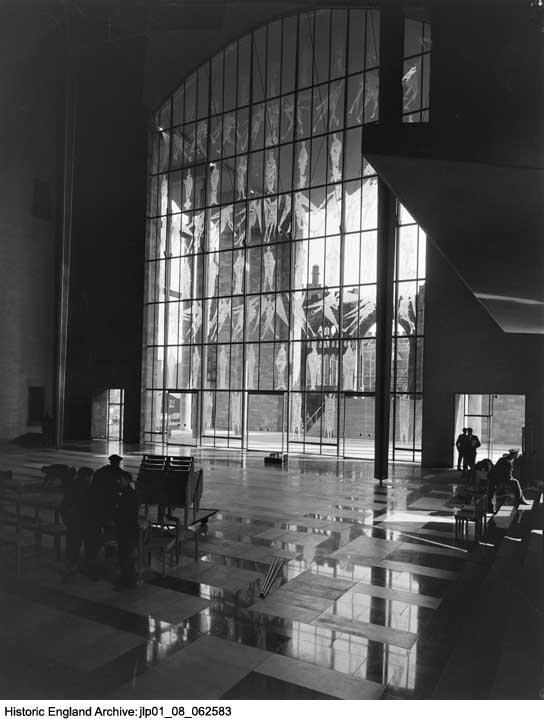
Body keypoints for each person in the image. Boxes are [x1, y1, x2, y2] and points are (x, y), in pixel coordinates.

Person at [60, 466, 101, 579]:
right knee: (90, 548)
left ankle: (72, 569)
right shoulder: (90, 488)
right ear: (87, 477)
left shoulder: (72, 487)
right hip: (86, 523)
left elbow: (63, 507)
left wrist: (67, 521)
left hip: (76, 523)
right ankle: (88, 569)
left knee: (73, 548)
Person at [92, 454, 132, 534]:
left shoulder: (101, 471)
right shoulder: (120, 473)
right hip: (113, 500)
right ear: (118, 463)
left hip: (100, 499)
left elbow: (95, 482)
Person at [113, 472, 140, 589]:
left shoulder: (127, 494)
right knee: (128, 556)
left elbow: (124, 513)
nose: (118, 482)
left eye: (120, 480)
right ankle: (129, 580)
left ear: (126, 480)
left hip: (126, 529)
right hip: (129, 529)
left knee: (125, 556)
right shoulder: (129, 492)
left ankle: (127, 581)